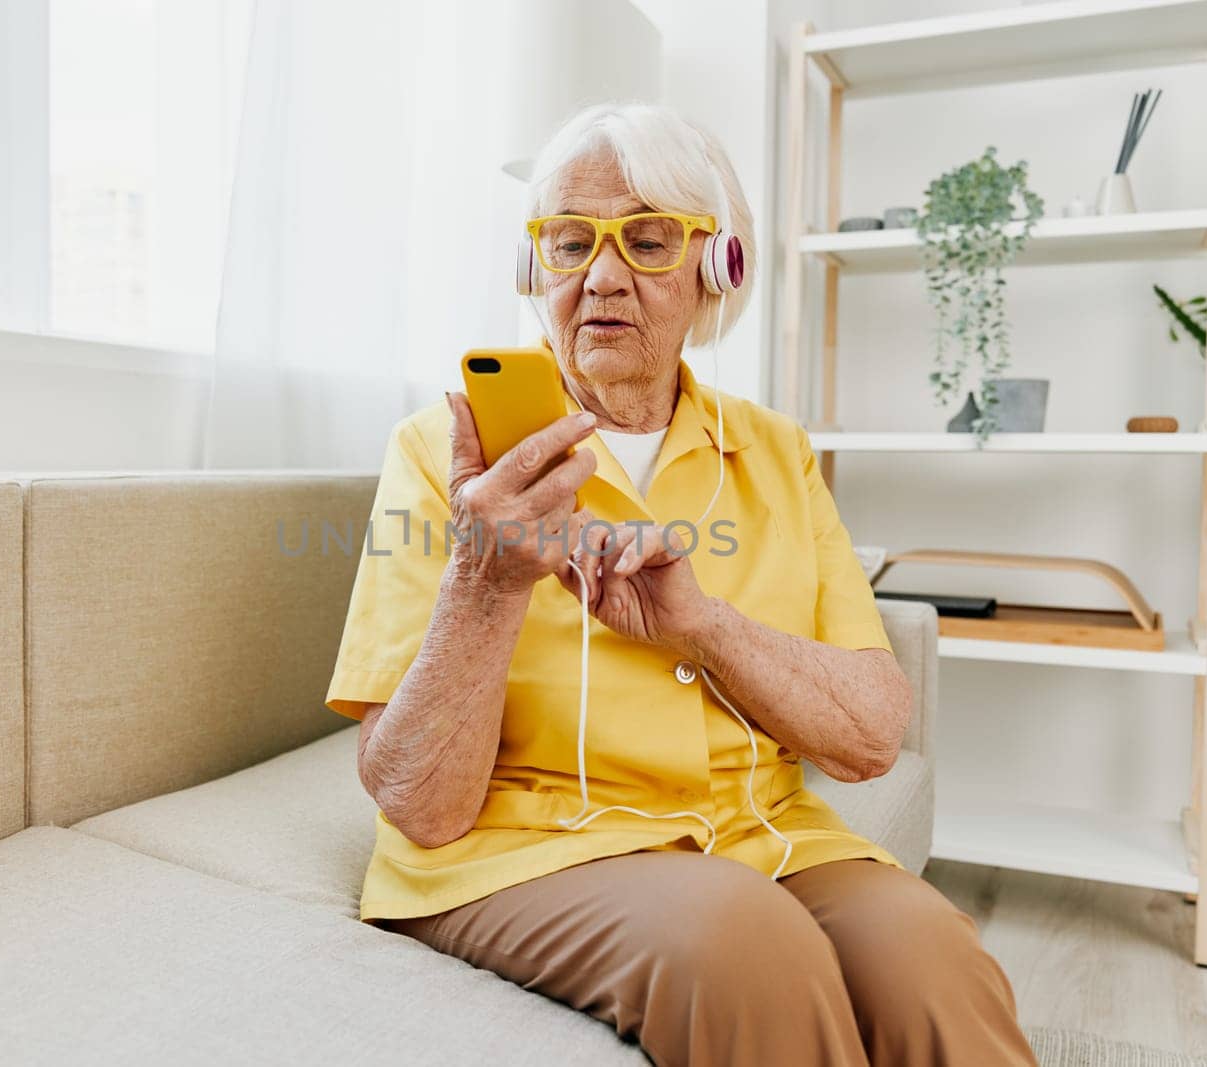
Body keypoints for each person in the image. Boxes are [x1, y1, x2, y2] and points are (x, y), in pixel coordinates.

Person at [325, 102, 1038, 1067]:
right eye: (571, 242)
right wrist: (488, 580)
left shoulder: (777, 454)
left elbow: (870, 734)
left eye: (649, 240)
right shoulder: (440, 458)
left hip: (762, 835)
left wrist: (702, 626)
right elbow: (420, 803)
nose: (603, 275)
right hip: (527, 847)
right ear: (538, 272)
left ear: (717, 269)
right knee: (746, 946)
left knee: (938, 960)